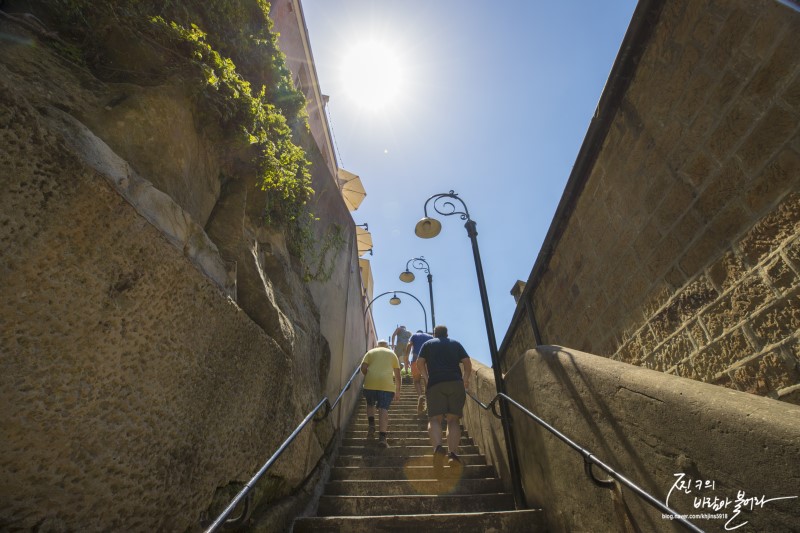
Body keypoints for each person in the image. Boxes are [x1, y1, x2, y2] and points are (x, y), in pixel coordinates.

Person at [416, 325, 472, 475]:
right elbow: (467, 363)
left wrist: (426, 378)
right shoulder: (455, 343)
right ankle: (453, 455)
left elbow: (419, 363)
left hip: (435, 384)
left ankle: (438, 448)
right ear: (447, 334)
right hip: (455, 383)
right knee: (453, 420)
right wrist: (464, 380)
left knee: (434, 419)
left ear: (434, 334)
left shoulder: (428, 344)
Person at [360, 339, 401, 448]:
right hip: (386, 385)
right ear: (387, 346)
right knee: (383, 409)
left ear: (377, 346)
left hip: (370, 383)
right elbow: (397, 375)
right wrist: (398, 391)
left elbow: (363, 368)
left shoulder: (370, 352)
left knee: (370, 404)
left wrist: (368, 375)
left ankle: (371, 425)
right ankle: (382, 438)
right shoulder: (392, 354)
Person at [405, 329, 433, 414]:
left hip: (416, 360)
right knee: (426, 380)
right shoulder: (430, 336)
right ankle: (428, 401)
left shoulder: (414, 335)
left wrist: (406, 358)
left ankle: (420, 396)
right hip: (428, 361)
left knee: (416, 381)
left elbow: (409, 345)